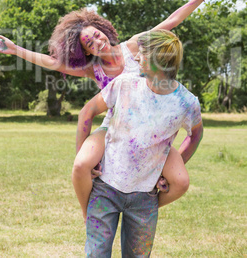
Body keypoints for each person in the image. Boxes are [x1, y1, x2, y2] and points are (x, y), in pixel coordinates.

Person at [0, 0, 229, 201]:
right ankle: (88, 215)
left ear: (103, 30)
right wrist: (16, 49)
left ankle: (146, 207)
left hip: (149, 127)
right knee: (81, 165)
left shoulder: (133, 46)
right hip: (114, 125)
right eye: (89, 43)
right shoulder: (93, 69)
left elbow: (171, 21)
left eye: (96, 35)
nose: (96, 42)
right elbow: (52, 62)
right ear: (86, 51)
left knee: (180, 181)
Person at [73, 30, 203, 257]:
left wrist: (173, 165)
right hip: (105, 190)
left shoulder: (186, 103)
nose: (135, 57)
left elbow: (196, 134)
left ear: (157, 59)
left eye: (142, 53)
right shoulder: (123, 84)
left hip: (145, 199)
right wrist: (83, 152)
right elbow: (89, 110)